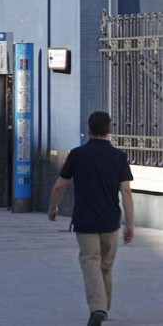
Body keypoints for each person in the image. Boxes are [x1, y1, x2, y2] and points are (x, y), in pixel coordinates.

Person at [48, 111, 134, 326]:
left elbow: (60, 184)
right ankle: (103, 307)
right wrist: (130, 223)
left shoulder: (78, 154)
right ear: (110, 130)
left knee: (90, 262)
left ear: (89, 129)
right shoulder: (119, 157)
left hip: (85, 221)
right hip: (110, 221)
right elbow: (126, 191)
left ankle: (98, 308)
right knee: (105, 264)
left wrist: (53, 208)